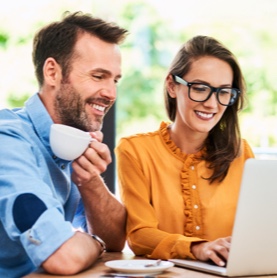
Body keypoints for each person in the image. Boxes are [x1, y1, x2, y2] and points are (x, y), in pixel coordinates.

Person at [0, 11, 128, 277]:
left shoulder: (71, 141)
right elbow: (64, 257)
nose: (111, 93)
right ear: (52, 72)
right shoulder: (8, 142)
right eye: (98, 76)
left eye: (115, 80)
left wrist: (90, 179)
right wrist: (95, 243)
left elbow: (117, 240)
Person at [115, 35, 254, 267]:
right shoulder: (135, 151)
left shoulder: (241, 153)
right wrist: (197, 248)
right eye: (200, 88)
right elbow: (140, 236)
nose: (212, 104)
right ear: (172, 86)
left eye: (223, 92)